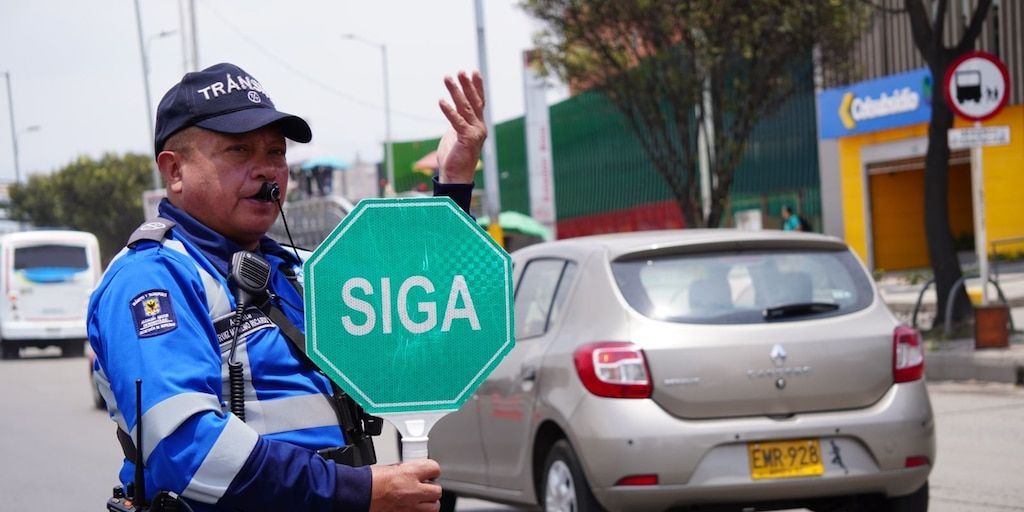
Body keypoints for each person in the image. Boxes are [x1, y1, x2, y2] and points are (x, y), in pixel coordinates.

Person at [87, 62, 487, 512]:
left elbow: (427, 321)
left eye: (276, 152)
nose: (266, 170)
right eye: (239, 151)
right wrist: (359, 491)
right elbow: (189, 451)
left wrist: (454, 183)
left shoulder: (300, 268)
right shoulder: (152, 278)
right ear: (174, 169)